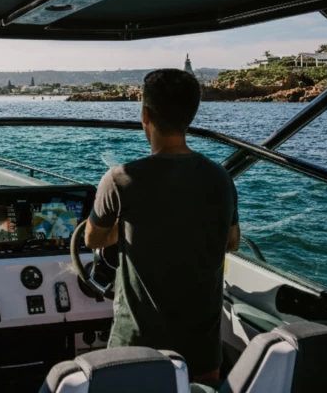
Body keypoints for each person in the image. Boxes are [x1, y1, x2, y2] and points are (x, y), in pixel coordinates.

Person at [85, 68, 240, 383]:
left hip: (137, 345)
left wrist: (129, 227)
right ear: (191, 115)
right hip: (202, 351)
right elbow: (231, 241)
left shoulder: (119, 179)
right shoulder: (220, 177)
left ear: (145, 114)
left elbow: (92, 239)